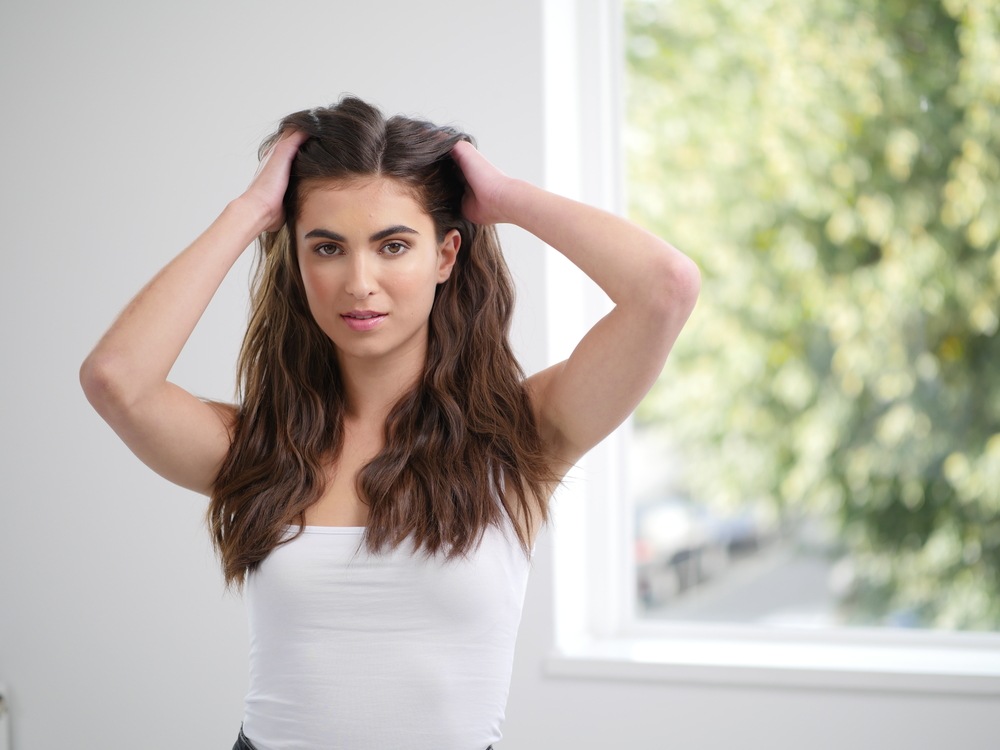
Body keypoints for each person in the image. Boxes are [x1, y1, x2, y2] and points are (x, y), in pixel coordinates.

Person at [79, 96, 700, 750]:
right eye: (327, 247)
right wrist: (248, 214)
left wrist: (507, 197)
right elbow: (116, 378)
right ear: (297, 258)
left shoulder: (522, 437)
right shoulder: (258, 450)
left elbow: (666, 288)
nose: (359, 282)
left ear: (445, 255)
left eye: (393, 245)